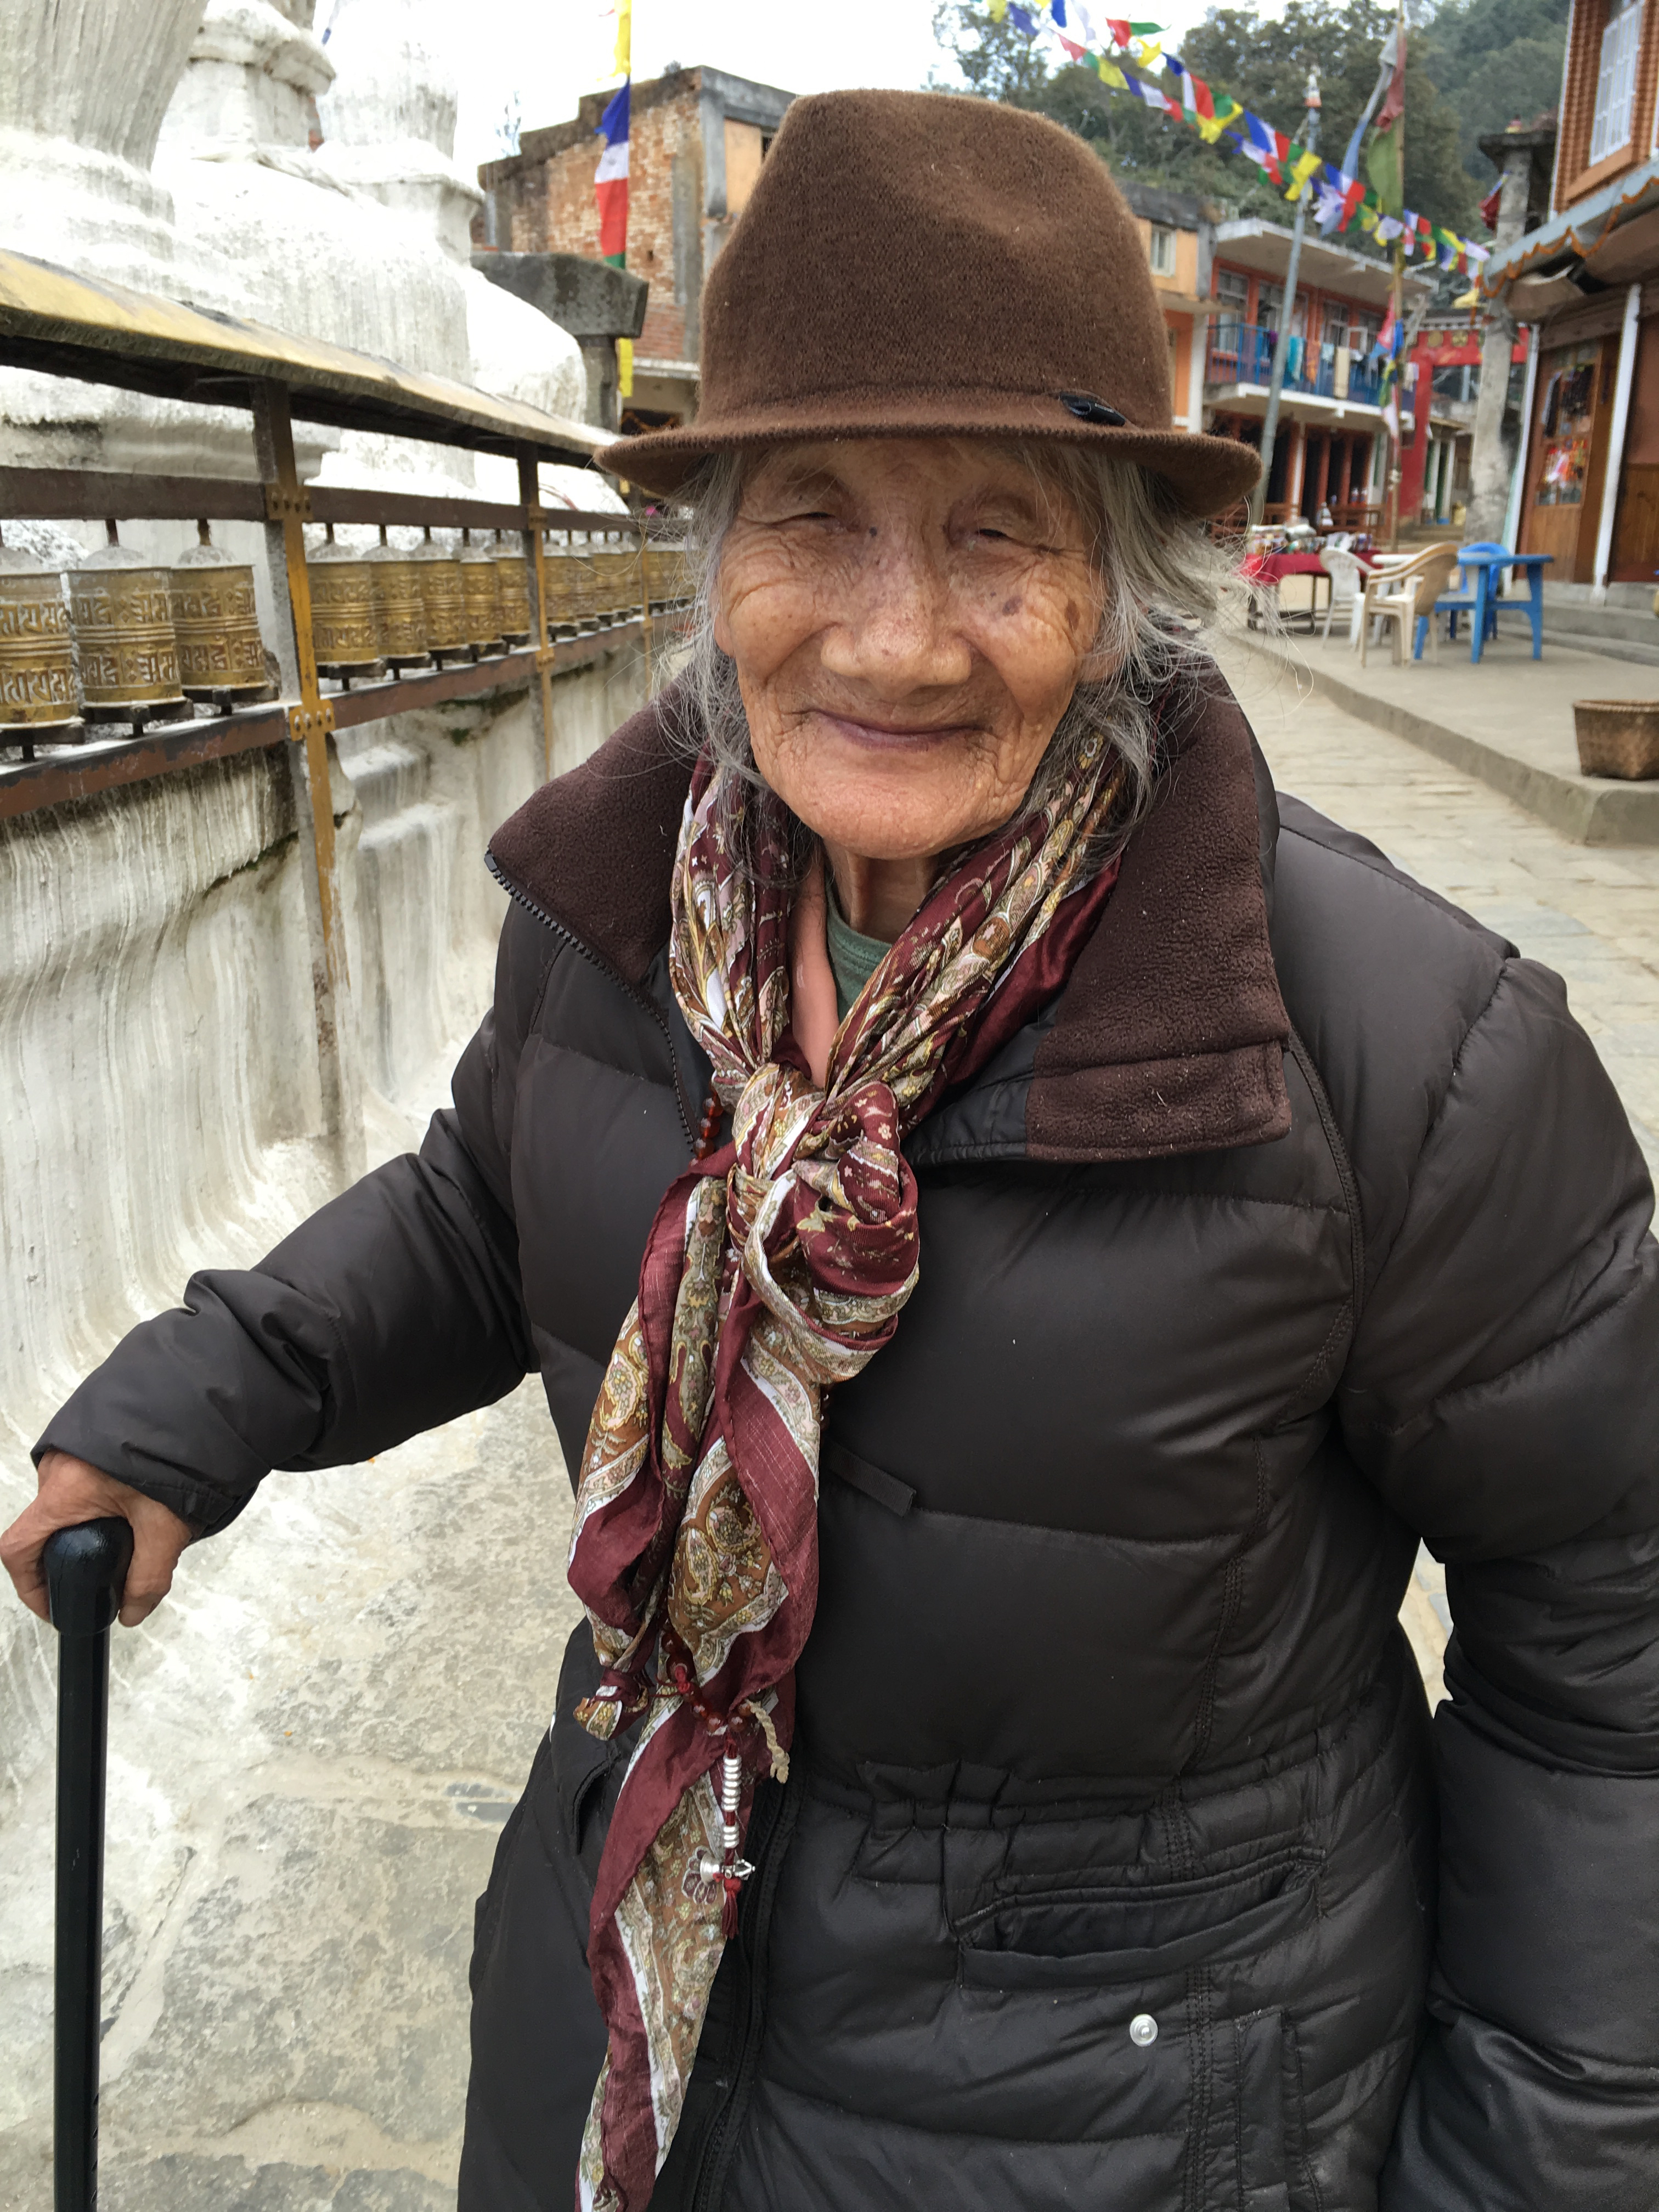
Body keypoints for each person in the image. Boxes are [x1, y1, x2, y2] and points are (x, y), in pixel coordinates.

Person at [5, 88, 1658, 2212]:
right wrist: (193, 1402)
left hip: (1130, 2112)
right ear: (711, 564)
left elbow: (1609, 1646)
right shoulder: (621, 913)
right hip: (634, 2025)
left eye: (997, 533)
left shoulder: (1406, 1048)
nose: (893, 637)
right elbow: (492, 1198)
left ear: (1124, 589)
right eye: (813, 518)